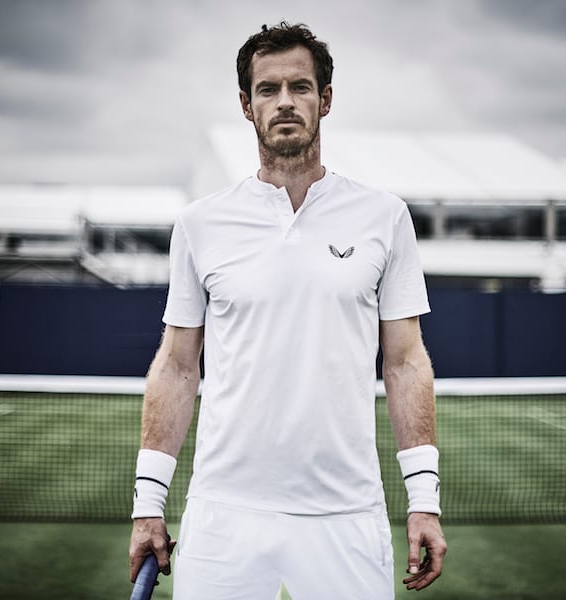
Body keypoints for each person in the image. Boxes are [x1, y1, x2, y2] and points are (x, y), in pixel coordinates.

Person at [128, 22, 446, 599]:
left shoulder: (384, 216)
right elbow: (177, 366)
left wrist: (423, 499)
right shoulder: (200, 224)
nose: (285, 102)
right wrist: (148, 506)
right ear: (247, 106)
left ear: (324, 100)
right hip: (224, 514)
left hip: (346, 513)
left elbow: (404, 363)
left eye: (300, 87)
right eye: (268, 90)